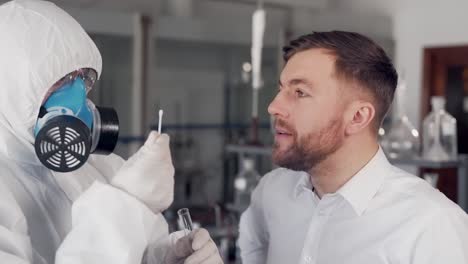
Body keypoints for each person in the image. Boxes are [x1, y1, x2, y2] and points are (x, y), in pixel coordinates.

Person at [0, 1, 223, 263]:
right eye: (61, 82)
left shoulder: (104, 168)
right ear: (10, 89)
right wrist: (125, 203)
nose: (77, 96)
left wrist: (163, 258)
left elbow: (131, 252)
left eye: (83, 78)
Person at [238, 31, 468, 264]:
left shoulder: (432, 226)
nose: (274, 107)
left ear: (358, 117)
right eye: (281, 89)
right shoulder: (272, 191)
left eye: (300, 92)